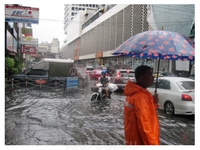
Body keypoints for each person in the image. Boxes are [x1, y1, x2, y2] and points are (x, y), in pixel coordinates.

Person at [123, 65, 160, 145]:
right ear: (141, 78)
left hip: (133, 140)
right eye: (150, 74)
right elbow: (145, 127)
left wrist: (153, 102)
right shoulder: (141, 97)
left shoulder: (136, 94)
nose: (153, 77)